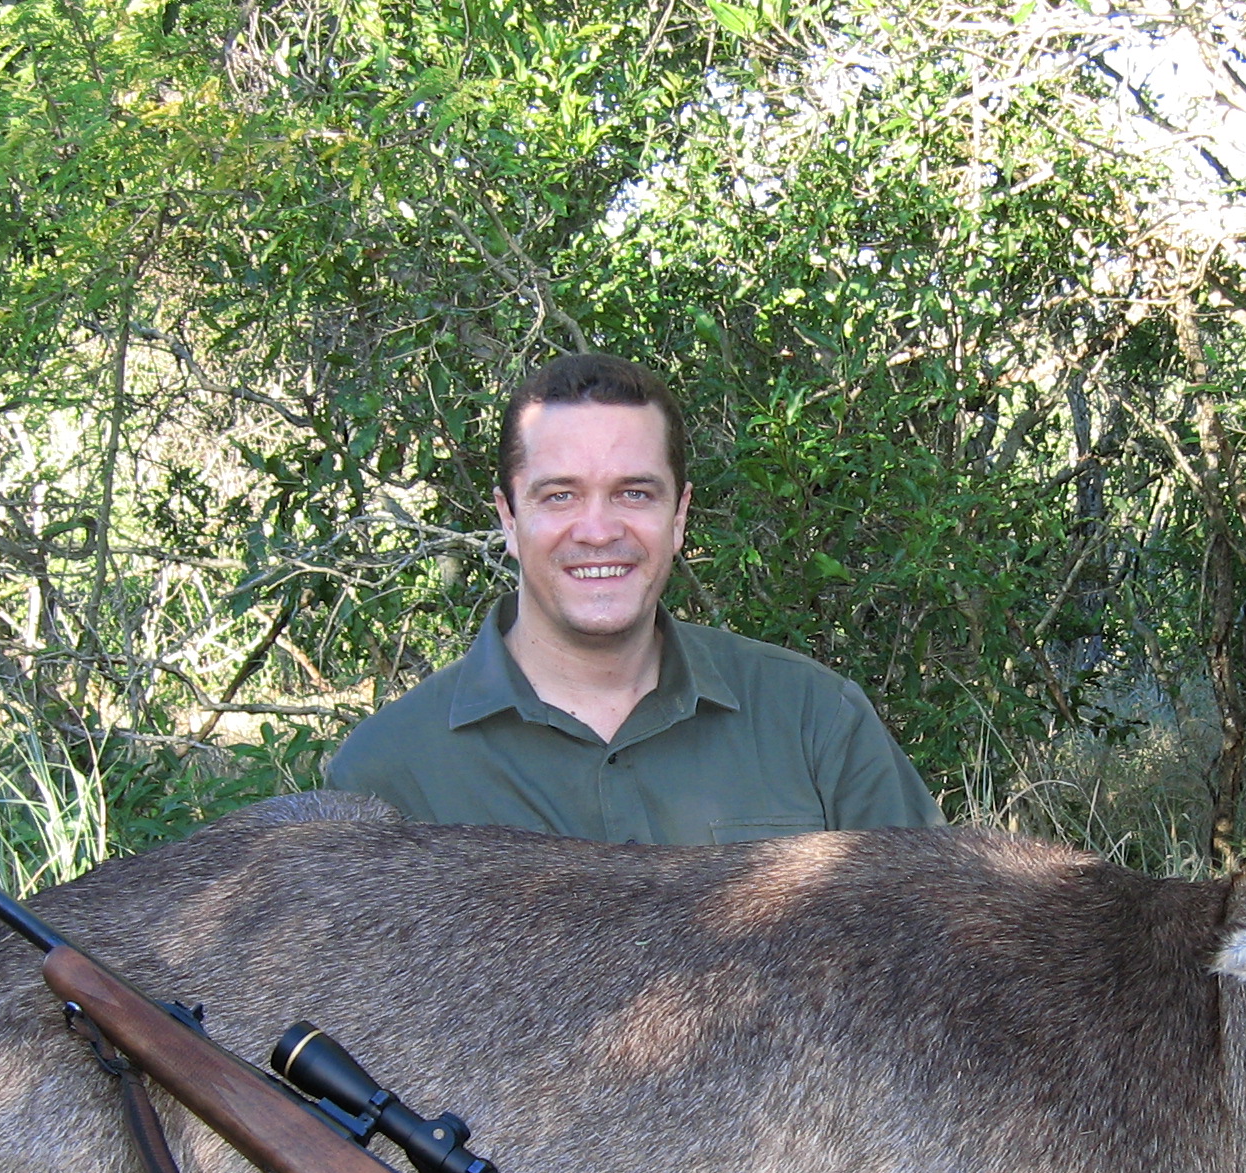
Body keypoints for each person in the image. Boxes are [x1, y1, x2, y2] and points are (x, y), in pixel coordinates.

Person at [323, 355, 944, 843]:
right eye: (559, 496)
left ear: (680, 516)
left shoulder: (814, 721)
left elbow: (942, 957)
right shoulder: (388, 775)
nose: (598, 530)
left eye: (635, 494)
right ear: (509, 520)